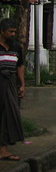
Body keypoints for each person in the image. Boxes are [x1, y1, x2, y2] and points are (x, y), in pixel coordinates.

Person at [0, 19, 25, 162]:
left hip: (10, 83)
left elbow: (20, 66)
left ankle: (4, 150)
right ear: (2, 31)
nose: (13, 34)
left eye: (14, 31)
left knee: (9, 114)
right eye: (10, 31)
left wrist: (22, 84)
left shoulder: (16, 47)